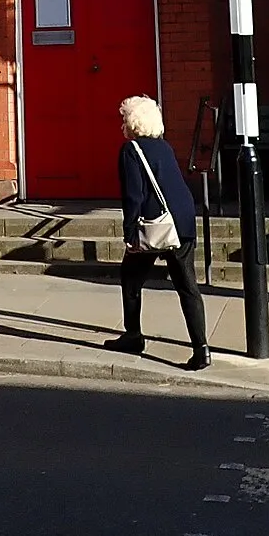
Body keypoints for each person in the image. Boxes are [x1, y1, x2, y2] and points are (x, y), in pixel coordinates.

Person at [105, 95, 211, 370]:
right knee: (188, 286)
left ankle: (133, 335)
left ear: (132, 122)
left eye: (124, 118)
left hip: (156, 225)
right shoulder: (164, 147)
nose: (122, 123)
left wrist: (130, 233)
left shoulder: (131, 150)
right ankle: (202, 349)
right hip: (183, 222)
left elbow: (133, 195)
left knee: (130, 277)